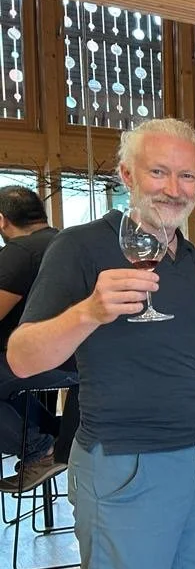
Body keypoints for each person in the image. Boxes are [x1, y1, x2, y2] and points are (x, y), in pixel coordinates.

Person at [7, 118, 195, 569]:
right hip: (122, 462)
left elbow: (187, 359)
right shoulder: (80, 247)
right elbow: (22, 357)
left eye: (187, 176)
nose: (173, 188)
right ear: (126, 175)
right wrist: (89, 311)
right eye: (159, 172)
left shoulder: (187, 257)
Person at [0, 185, 65, 491]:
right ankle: (55, 433)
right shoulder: (65, 242)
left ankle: (40, 450)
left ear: (2, 220)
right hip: (79, 360)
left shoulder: (20, 252)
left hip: (44, 360)